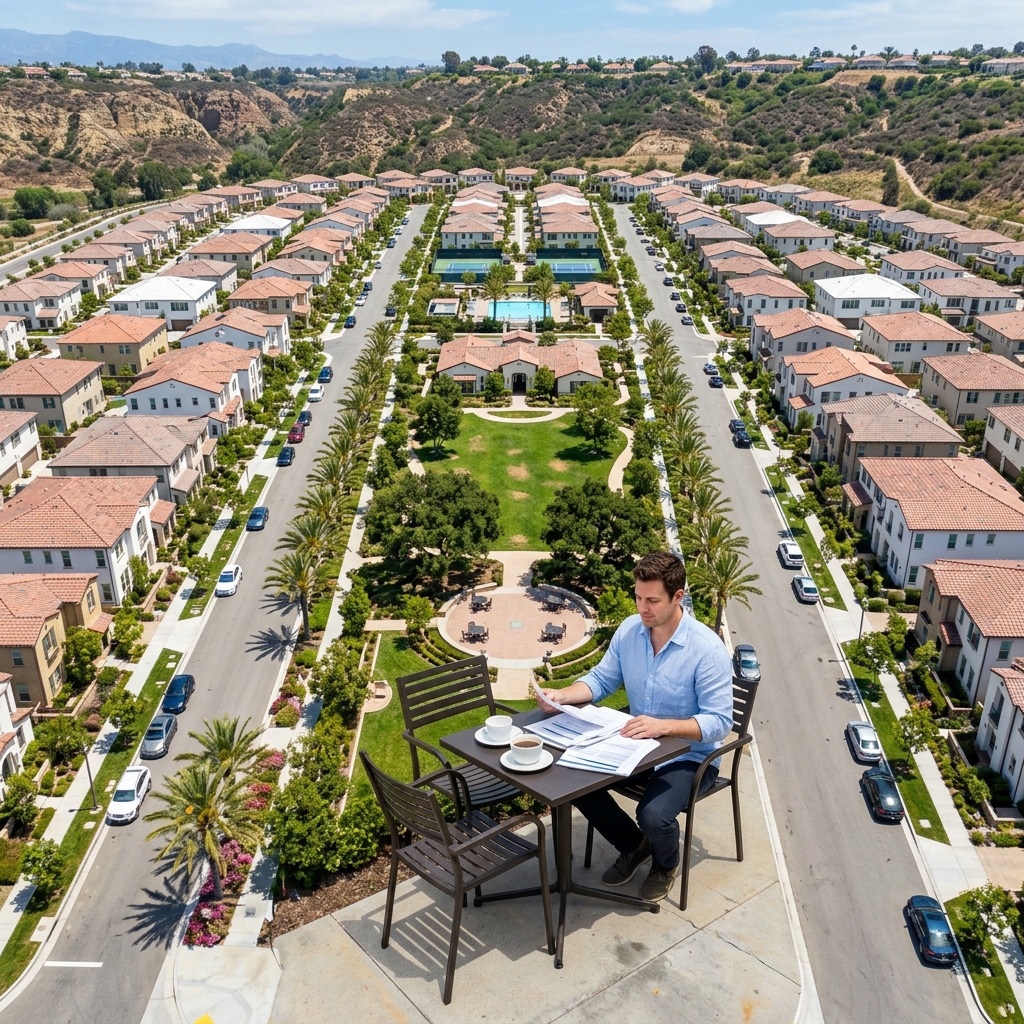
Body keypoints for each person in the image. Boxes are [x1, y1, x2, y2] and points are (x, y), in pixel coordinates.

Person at [536, 551, 733, 902]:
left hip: (690, 757)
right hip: (636, 746)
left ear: (678, 596)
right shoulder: (630, 631)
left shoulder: (707, 650)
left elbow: (719, 723)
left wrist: (664, 726)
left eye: (652, 600)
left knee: (654, 814)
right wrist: (562, 697)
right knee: (576, 781)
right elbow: (602, 679)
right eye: (638, 597)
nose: (643, 608)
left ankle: (665, 865)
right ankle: (634, 845)